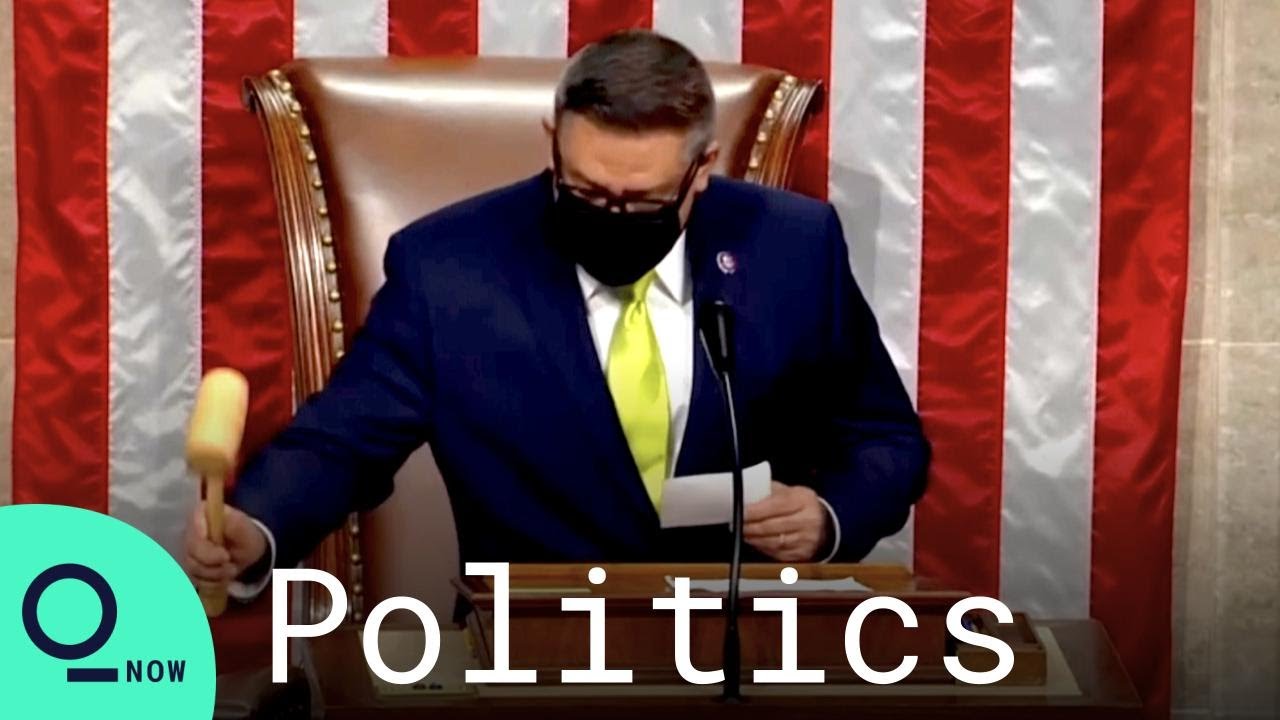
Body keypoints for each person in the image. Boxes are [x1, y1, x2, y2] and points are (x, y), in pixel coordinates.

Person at [184, 30, 929, 600]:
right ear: (554, 143)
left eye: (642, 201)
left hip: (744, 643)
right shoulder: (448, 267)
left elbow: (886, 439)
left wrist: (828, 515)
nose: (611, 214)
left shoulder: (792, 245)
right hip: (532, 643)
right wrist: (257, 525)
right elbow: (342, 442)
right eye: (585, 191)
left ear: (702, 170)